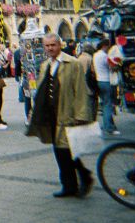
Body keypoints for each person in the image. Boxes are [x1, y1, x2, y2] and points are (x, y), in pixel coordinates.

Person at [26, 33, 94, 198]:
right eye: (47, 45)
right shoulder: (45, 65)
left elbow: (80, 90)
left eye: (53, 45)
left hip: (67, 113)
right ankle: (70, 184)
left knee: (66, 149)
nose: (50, 48)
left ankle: (82, 177)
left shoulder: (72, 63)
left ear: (60, 45)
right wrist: (34, 111)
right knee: (60, 150)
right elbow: (41, 90)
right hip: (51, 114)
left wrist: (81, 114)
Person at [93, 39, 119, 135]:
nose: (109, 48)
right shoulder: (104, 56)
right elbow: (112, 67)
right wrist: (117, 64)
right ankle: (109, 127)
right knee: (108, 105)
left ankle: (109, 125)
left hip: (99, 81)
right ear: (105, 46)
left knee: (105, 104)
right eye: (108, 46)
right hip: (106, 81)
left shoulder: (95, 55)